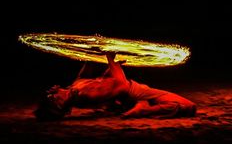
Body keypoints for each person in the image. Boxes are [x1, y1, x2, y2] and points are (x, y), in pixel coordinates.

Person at [34, 52, 197, 121]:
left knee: (177, 105)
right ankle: (142, 110)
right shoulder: (85, 95)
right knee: (189, 107)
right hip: (134, 92)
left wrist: (90, 51)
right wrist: (111, 59)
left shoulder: (74, 88)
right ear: (59, 103)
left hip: (130, 93)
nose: (50, 91)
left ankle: (141, 107)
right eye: (50, 96)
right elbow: (121, 84)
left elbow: (89, 72)